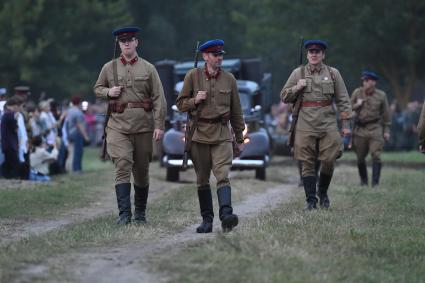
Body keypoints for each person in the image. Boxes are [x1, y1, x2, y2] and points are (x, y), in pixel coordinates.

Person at [93, 26, 167, 225]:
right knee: (123, 164)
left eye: (130, 39)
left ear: (136, 42)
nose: (126, 43)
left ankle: (140, 214)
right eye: (122, 40)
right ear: (118, 44)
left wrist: (159, 124)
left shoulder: (148, 68)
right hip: (117, 126)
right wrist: (109, 92)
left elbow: (159, 97)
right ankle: (124, 214)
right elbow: (97, 88)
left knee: (141, 171)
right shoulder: (109, 68)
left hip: (143, 126)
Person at [176, 39, 245, 233]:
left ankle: (226, 215)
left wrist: (239, 138)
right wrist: (194, 100)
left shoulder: (229, 79)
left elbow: (236, 111)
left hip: (222, 133)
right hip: (198, 135)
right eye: (216, 55)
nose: (220, 58)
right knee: (202, 179)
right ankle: (207, 220)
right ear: (205, 57)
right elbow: (180, 104)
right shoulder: (192, 76)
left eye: (221, 54)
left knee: (223, 175)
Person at [280, 40, 352, 210]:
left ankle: (323, 192)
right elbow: (284, 96)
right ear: (307, 55)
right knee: (307, 162)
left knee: (329, 159)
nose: (314, 54)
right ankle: (310, 201)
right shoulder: (298, 73)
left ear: (323, 55)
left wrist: (346, 124)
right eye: (311, 51)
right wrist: (297, 88)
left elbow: (343, 99)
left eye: (317, 51)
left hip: (327, 122)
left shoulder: (333, 73)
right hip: (305, 123)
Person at [351, 71, 391, 186]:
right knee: (359, 158)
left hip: (375, 128)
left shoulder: (381, 95)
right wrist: (357, 105)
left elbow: (386, 114)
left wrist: (387, 131)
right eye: (364, 81)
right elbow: (347, 109)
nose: (365, 83)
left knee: (376, 155)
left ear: (374, 82)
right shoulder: (357, 93)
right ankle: (363, 181)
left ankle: (375, 183)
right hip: (360, 130)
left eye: (367, 81)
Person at [1, 97, 21, 179]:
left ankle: (7, 176)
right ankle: (14, 176)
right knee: (14, 162)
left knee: (8, 162)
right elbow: (15, 129)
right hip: (10, 143)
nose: (15, 108)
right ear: (10, 106)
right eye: (14, 106)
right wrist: (16, 119)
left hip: (7, 143)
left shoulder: (6, 115)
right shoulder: (9, 115)